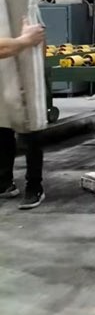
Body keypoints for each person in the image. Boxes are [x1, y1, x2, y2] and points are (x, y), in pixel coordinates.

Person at [0, 18, 47, 209]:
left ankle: (34, 186)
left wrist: (35, 70)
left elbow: (41, 37)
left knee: (30, 126)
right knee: (3, 126)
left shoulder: (23, 10)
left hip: (21, 69)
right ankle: (4, 182)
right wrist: (25, 40)